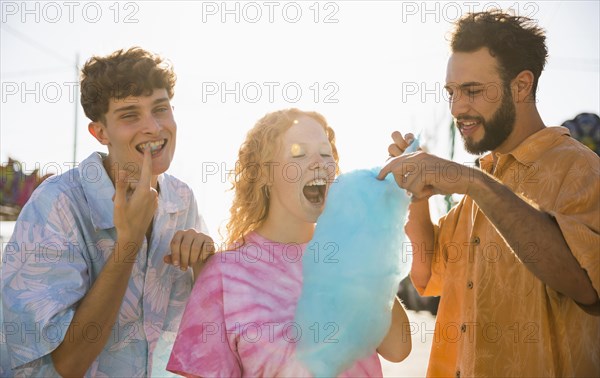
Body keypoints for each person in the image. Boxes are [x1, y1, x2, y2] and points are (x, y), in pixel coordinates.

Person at [379, 10, 600, 377]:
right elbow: (425, 275)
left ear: (521, 86)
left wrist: (474, 184)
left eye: (473, 91)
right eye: (451, 92)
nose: (456, 108)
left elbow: (587, 285)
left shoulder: (581, 170)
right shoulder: (484, 179)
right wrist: (416, 197)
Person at [0, 47, 214, 377]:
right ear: (100, 132)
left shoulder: (182, 200)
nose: (154, 127)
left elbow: (195, 334)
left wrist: (205, 267)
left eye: (160, 109)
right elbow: (67, 364)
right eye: (130, 115)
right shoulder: (57, 204)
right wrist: (128, 243)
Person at [166, 108, 411, 377]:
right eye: (298, 153)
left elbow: (398, 349)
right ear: (265, 174)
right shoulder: (223, 274)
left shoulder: (348, 255)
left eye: (325, 153)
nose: (319, 162)